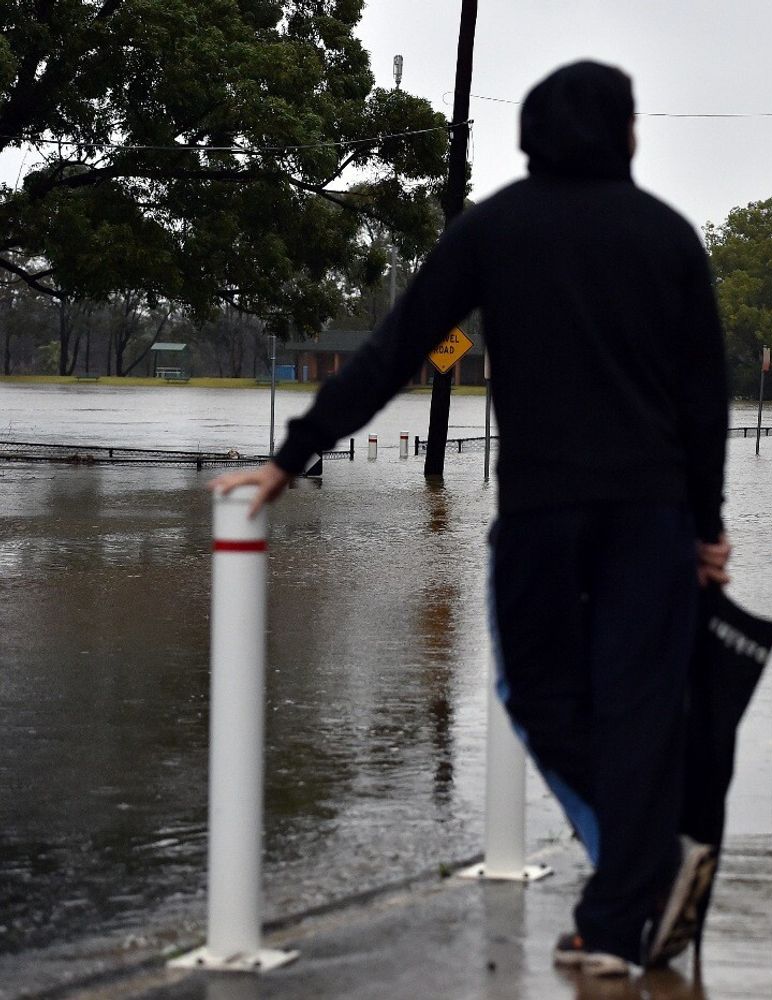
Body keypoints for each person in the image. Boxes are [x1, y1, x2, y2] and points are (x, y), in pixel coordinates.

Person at [211, 60, 731, 978]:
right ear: (622, 132)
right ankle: (640, 877)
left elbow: (393, 351)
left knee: (536, 695)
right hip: (651, 516)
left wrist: (295, 456)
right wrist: (706, 522)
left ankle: (625, 905)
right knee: (638, 708)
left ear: (533, 132)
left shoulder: (495, 227)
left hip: (541, 513)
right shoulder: (668, 236)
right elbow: (706, 399)